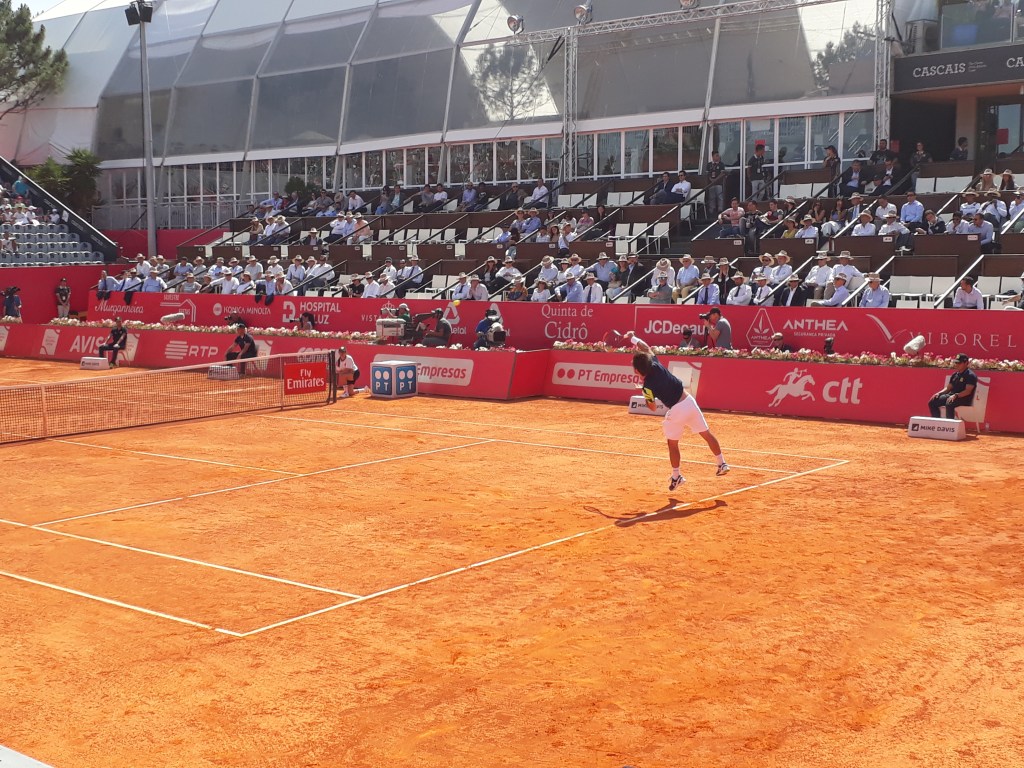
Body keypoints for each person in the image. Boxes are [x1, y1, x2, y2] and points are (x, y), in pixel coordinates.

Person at [628, 333, 730, 490]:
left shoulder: (647, 386)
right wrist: (633, 338)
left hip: (676, 410)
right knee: (706, 434)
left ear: (637, 370)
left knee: (672, 444)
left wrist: (646, 393)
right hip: (689, 401)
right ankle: (722, 463)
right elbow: (646, 347)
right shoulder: (655, 364)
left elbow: (653, 407)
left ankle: (676, 476)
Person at [927, 353, 976, 419]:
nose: (957, 365)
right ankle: (937, 422)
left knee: (949, 403)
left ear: (966, 363)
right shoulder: (955, 375)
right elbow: (948, 388)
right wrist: (939, 393)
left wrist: (956, 395)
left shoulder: (970, 375)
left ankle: (950, 425)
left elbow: (968, 391)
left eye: (959, 363)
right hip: (952, 396)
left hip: (964, 398)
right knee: (933, 401)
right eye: (956, 363)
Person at [705, 150, 727, 217]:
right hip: (711, 184)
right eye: (716, 155)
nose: (718, 157)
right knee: (711, 197)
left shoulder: (721, 164)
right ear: (713, 156)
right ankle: (712, 210)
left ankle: (720, 210)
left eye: (718, 155)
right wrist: (711, 180)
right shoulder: (709, 165)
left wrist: (716, 180)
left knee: (720, 197)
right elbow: (707, 174)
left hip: (719, 184)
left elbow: (722, 174)